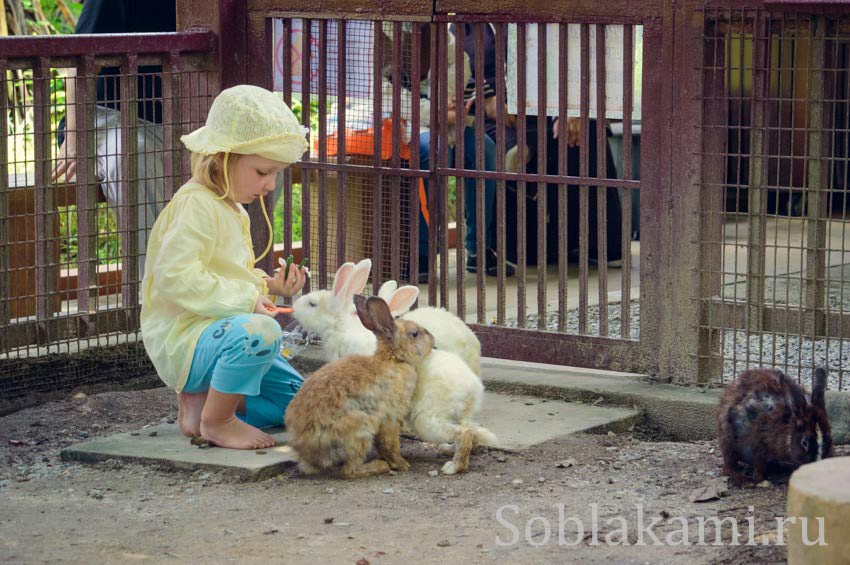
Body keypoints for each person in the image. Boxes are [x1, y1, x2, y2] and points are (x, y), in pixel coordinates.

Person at [140, 85, 310, 450]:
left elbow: (230, 275)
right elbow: (175, 278)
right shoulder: (196, 205)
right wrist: (249, 299)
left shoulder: (231, 206)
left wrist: (269, 286)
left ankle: (202, 408)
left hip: (220, 331)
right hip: (187, 336)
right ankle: (218, 421)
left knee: (306, 403)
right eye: (263, 171)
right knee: (261, 332)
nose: (270, 184)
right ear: (222, 158)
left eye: (276, 173)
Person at [52, 0, 176, 272]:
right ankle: (155, 290)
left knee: (270, 146)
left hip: (173, 124)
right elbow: (78, 65)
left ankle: (240, 286)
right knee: (134, 155)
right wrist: (74, 137)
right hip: (100, 116)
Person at [416, 25, 515, 282]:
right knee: (433, 154)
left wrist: (498, 106)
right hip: (414, 124)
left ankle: (479, 248)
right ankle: (424, 251)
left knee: (486, 150)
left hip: (454, 124)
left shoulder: (449, 41)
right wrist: (442, 110)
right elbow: (396, 96)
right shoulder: (394, 38)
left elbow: (471, 85)